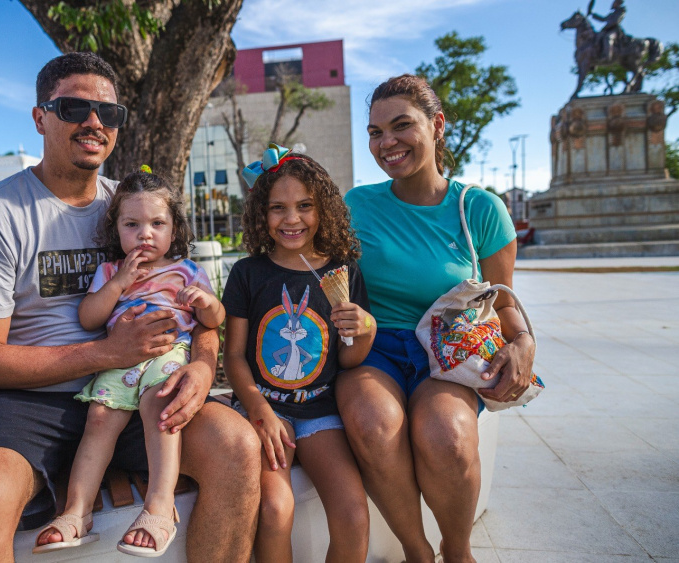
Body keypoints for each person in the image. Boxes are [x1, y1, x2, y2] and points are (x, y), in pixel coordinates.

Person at [0, 52, 260, 563]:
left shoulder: (132, 209)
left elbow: (192, 304)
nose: (93, 122)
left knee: (238, 448)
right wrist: (107, 353)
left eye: (107, 113)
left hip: (142, 386)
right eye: (74, 107)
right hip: (23, 402)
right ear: (41, 116)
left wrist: (200, 364)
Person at [340, 75, 536, 563]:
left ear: (437, 125)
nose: (386, 143)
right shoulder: (356, 205)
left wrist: (524, 342)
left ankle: (457, 550)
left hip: (446, 351)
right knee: (372, 423)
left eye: (401, 126)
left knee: (446, 434)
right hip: (373, 349)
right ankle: (416, 552)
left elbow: (504, 300)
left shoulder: (480, 209)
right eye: (375, 132)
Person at [33, 169, 225, 557]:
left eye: (158, 223)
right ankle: (76, 511)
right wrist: (119, 282)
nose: (145, 234)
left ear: (174, 228)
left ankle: (159, 505)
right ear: (116, 229)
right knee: (99, 419)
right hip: (119, 360)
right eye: (131, 224)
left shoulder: (187, 270)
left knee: (161, 407)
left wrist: (207, 303)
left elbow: (215, 321)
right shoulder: (109, 272)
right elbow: (89, 318)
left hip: (166, 355)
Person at [222, 145, 375, 563]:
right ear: (261, 214)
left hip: (321, 412)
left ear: (323, 208)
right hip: (264, 410)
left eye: (305, 205)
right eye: (278, 208)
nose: (292, 219)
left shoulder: (343, 271)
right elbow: (233, 356)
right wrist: (259, 411)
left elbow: (348, 361)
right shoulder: (247, 273)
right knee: (274, 509)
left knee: (353, 514)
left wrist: (366, 329)